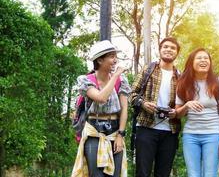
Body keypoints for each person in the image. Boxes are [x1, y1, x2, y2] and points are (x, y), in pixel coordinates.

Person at [71, 40, 131, 177]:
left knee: (115, 174)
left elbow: (124, 109)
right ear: (99, 60)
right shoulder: (86, 80)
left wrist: (121, 135)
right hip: (93, 132)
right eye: (111, 57)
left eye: (116, 56)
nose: (115, 60)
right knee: (96, 174)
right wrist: (115, 75)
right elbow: (101, 98)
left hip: (115, 132)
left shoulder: (122, 81)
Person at [129, 37, 181, 177]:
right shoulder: (148, 70)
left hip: (170, 131)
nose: (169, 50)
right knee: (142, 172)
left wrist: (176, 112)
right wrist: (143, 103)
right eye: (165, 47)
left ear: (177, 53)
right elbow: (132, 95)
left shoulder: (180, 76)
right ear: (160, 50)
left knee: (163, 174)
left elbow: (185, 103)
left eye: (172, 48)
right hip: (146, 127)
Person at [175, 48, 219, 177]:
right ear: (191, 63)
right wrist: (187, 105)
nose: (203, 60)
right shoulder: (183, 83)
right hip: (190, 135)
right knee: (193, 174)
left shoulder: (218, 82)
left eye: (206, 58)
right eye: (199, 58)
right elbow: (177, 114)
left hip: (213, 134)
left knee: (210, 174)